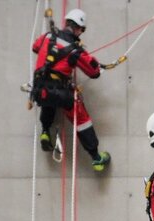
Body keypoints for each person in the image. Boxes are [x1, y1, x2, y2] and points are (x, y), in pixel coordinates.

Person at [31, 8, 111, 171]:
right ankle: (96, 158)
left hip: (39, 90)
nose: (81, 33)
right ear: (78, 28)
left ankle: (45, 130)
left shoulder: (47, 36)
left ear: (66, 23)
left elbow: (35, 47)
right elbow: (93, 72)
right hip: (61, 93)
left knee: (48, 100)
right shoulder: (75, 50)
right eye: (82, 30)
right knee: (82, 120)